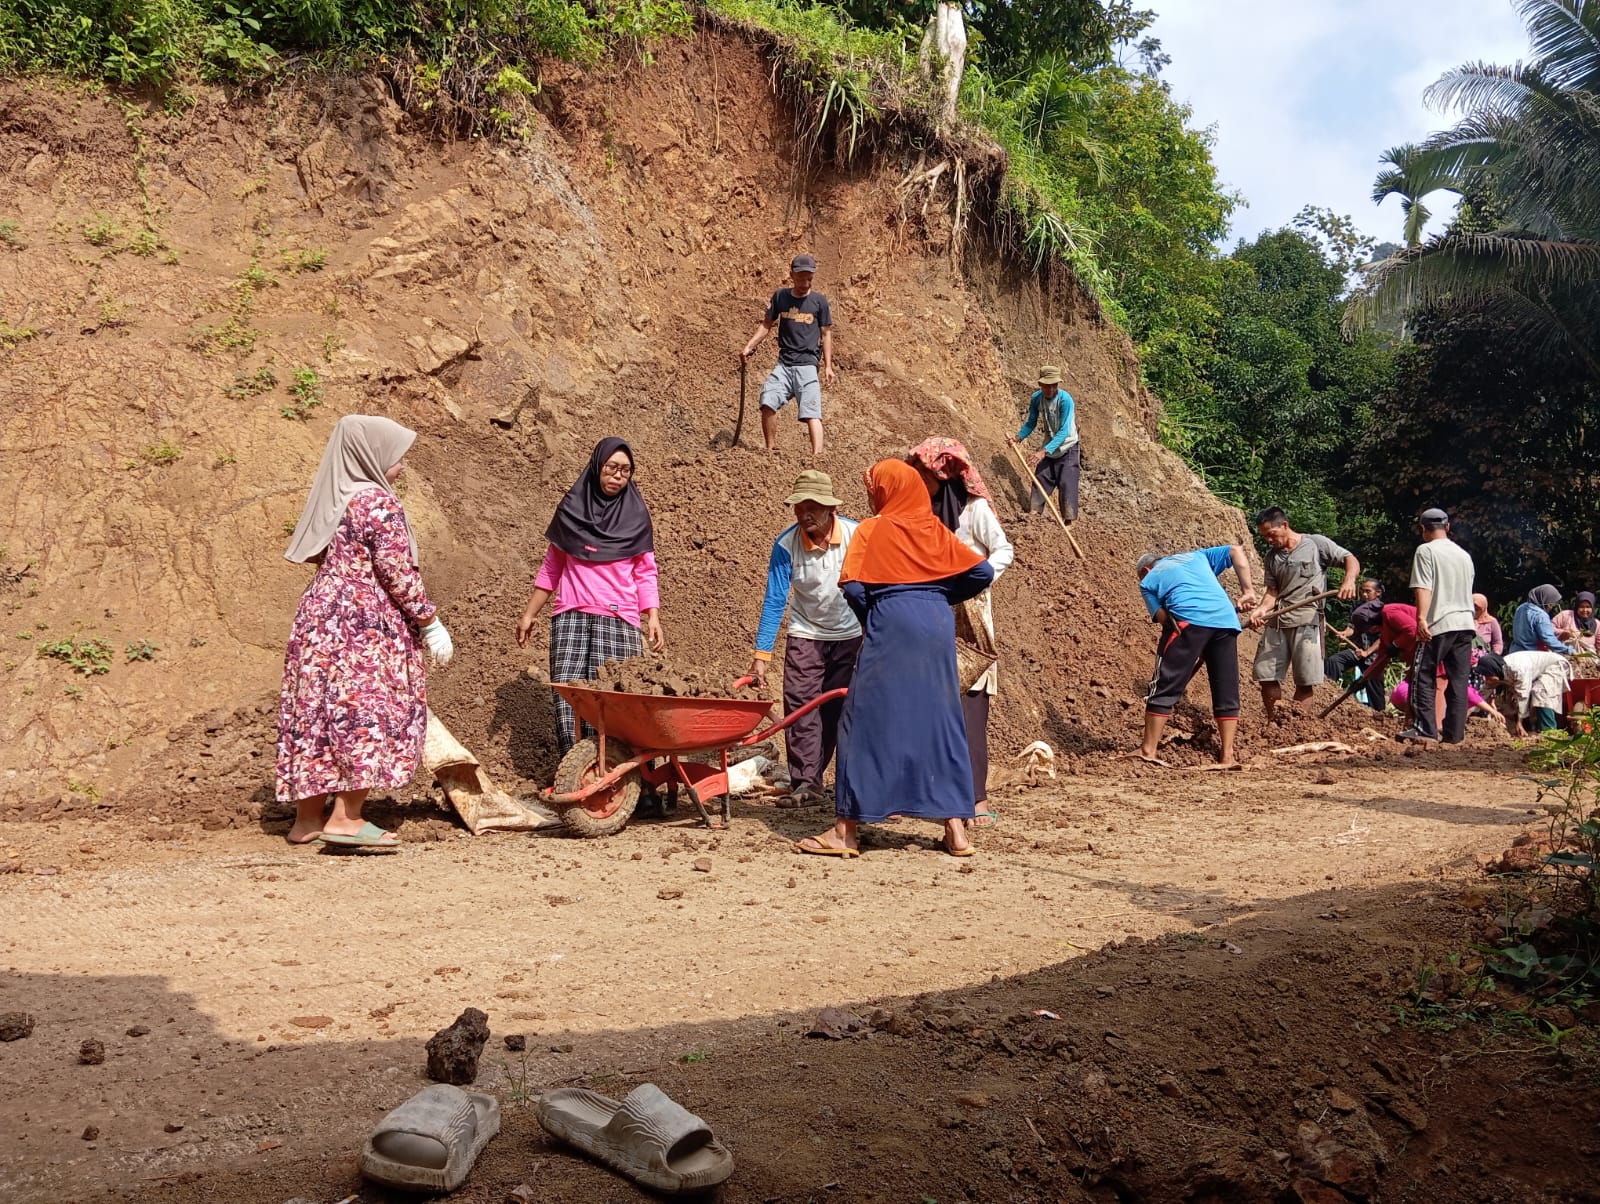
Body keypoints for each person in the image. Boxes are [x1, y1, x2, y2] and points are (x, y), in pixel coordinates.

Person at [795, 461, 994, 859]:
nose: (872, 497)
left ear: (888, 491)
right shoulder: (935, 529)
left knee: (861, 718)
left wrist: (879, 612)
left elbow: (851, 587)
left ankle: (845, 831)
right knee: (940, 719)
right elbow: (982, 572)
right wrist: (937, 597)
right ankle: (956, 831)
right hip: (936, 625)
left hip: (891, 620)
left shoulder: (873, 528)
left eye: (874, 489)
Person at [278, 415, 453, 851]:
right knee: (369, 711)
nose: (401, 466)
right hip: (363, 625)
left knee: (317, 714)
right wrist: (430, 623)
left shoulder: (333, 497)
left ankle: (306, 820)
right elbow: (396, 572)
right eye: (395, 457)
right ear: (370, 455)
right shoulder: (377, 502)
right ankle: (347, 817)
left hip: (318, 619)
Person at [517, 438, 663, 753]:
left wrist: (651, 615)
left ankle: (625, 779)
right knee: (569, 698)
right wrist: (530, 614)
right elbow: (551, 568)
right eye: (612, 467)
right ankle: (576, 769)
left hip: (619, 621)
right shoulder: (572, 511)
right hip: (570, 618)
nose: (618, 476)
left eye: (625, 470)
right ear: (597, 466)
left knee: (620, 702)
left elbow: (645, 572)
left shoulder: (636, 518)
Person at [907, 436, 1015, 829]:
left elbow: (1003, 550)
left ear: (944, 474)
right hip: (930, 609)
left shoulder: (975, 510)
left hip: (969, 612)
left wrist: (977, 578)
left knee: (971, 702)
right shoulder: (920, 512)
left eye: (923, 473)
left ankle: (975, 796)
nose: (917, 480)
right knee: (930, 702)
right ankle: (928, 792)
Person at [747, 470, 862, 809]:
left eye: (812, 507)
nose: (804, 515)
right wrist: (761, 655)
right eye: (799, 507)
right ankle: (806, 784)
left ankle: (849, 786)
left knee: (843, 710)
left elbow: (875, 586)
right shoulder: (786, 545)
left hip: (851, 635)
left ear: (830, 508)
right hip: (806, 634)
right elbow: (774, 600)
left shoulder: (857, 536)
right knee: (800, 708)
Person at [1133, 545, 1259, 768]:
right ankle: (1227, 756)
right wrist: (1248, 590)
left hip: (1188, 621)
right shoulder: (1195, 556)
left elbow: (1164, 619)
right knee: (1226, 688)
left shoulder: (1147, 582)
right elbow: (1236, 550)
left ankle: (1148, 750)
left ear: (1145, 570)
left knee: (1164, 685)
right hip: (1226, 621)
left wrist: (1191, 642)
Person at [1246, 508, 1359, 721]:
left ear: (1285, 525)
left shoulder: (1315, 544)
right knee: (1266, 674)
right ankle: (1275, 721)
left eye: (1271, 534)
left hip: (1307, 622)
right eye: (1264, 536)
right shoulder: (1272, 557)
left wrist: (1349, 580)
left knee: (1305, 680)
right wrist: (1261, 610)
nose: (1269, 539)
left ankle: (1295, 725)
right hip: (1278, 621)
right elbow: (1272, 592)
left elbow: (1349, 558)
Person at [739, 253, 835, 458]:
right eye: (801, 278)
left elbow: (826, 333)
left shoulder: (819, 302)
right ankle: (770, 451)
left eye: (810, 278)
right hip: (784, 364)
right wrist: (749, 346)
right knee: (767, 401)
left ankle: (818, 458)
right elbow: (767, 324)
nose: (805, 282)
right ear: (791, 274)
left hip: (808, 365)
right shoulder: (781, 297)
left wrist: (828, 366)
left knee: (812, 412)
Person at [1398, 507, 1476, 744]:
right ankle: (1454, 734)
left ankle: (1425, 729)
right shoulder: (1464, 555)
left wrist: (1421, 618)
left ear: (1423, 529)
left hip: (1439, 623)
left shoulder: (1426, 551)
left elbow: (1424, 586)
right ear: (1448, 527)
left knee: (1423, 674)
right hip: (1465, 623)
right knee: (1459, 680)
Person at [1008, 365, 1080, 521]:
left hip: (1068, 446)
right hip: (1050, 443)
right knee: (1041, 476)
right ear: (1040, 385)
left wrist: (1043, 451)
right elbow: (1031, 422)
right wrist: (1018, 437)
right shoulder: (1036, 399)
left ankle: (1069, 519)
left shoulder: (1065, 400)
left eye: (1054, 385)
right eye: (1047, 386)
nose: (1051, 389)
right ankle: (1034, 513)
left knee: (1067, 481)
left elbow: (1064, 431)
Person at [1476, 651, 1574, 735]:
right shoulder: (1498, 670)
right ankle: (1529, 728)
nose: (1486, 679)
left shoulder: (1517, 670)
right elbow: (1481, 695)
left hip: (1555, 665)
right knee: (1512, 699)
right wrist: (1467, 712)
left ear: (1495, 670)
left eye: (1488, 675)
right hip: (1535, 670)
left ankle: (1549, 732)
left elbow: (1523, 696)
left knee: (1541, 693)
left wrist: (1519, 722)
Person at [1509, 585, 1574, 656]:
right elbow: (1548, 639)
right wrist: (1567, 650)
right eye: (1551, 604)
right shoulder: (1541, 615)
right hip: (1532, 655)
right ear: (1545, 600)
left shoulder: (1520, 608)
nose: (1551, 607)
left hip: (1515, 652)